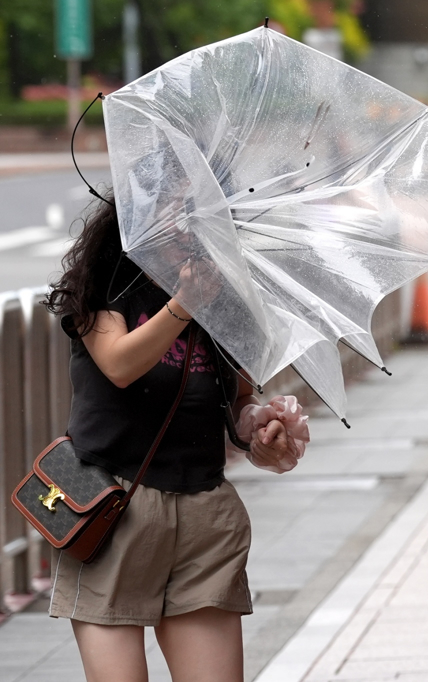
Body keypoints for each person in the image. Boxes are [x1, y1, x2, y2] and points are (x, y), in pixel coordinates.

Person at [43, 195, 302, 682]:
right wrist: (184, 304)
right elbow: (119, 364)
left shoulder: (228, 297)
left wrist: (260, 429)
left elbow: (237, 398)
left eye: (200, 208)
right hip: (111, 512)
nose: (187, 220)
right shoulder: (107, 284)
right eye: (172, 205)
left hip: (205, 514)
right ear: (138, 212)